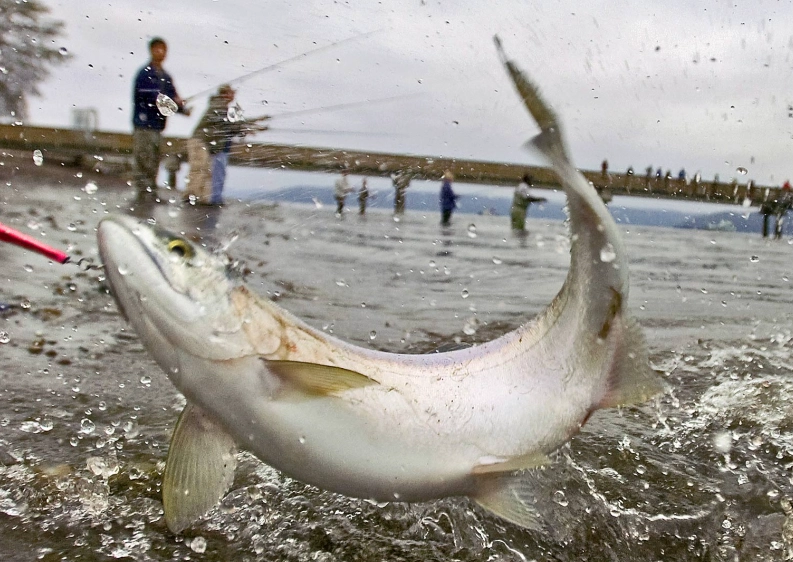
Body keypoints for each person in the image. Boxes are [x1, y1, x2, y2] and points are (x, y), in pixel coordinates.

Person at [132, 37, 190, 202]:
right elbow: (152, 97)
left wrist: (182, 108)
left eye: (163, 49)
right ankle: (142, 194)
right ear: (151, 51)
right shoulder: (144, 74)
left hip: (158, 126)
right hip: (143, 125)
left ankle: (151, 192)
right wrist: (174, 103)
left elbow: (172, 97)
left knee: (154, 160)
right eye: (157, 49)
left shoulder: (166, 76)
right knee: (143, 159)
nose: (161, 52)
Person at [184, 84, 256, 205]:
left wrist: (249, 126)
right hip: (200, 141)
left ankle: (201, 198)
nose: (233, 95)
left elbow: (229, 125)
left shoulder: (220, 106)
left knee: (205, 171)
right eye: (231, 92)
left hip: (204, 142)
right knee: (198, 169)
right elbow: (228, 125)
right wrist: (246, 128)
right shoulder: (219, 105)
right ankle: (191, 197)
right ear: (225, 94)